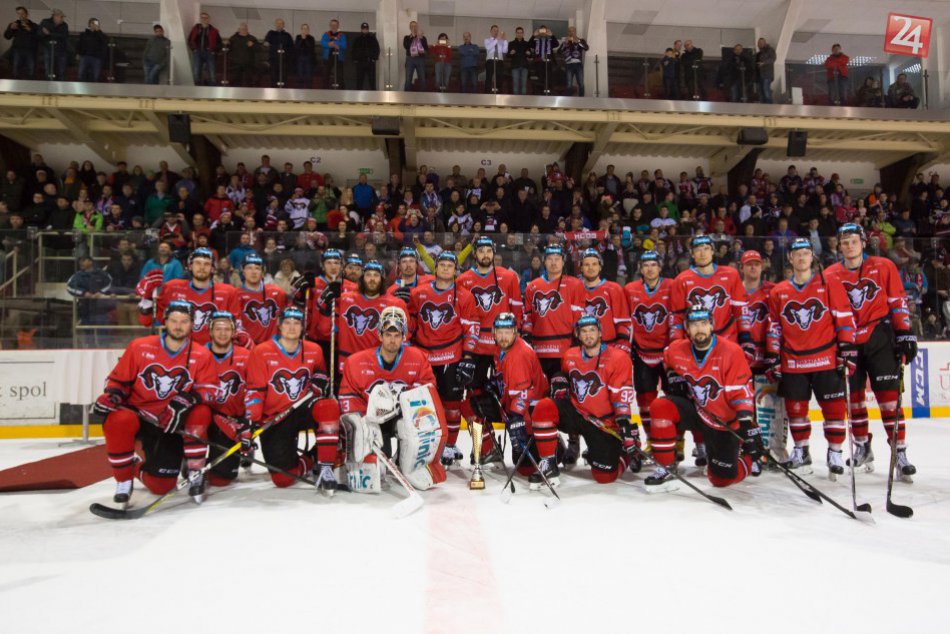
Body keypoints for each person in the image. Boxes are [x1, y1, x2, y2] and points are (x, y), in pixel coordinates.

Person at [93, 301, 216, 508]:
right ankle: (124, 479)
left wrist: (185, 400)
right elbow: (118, 381)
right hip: (141, 417)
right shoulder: (140, 346)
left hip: (172, 423)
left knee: (162, 485)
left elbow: (209, 390)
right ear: (165, 321)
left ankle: (194, 469)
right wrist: (113, 395)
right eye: (174, 321)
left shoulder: (201, 354)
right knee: (118, 418)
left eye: (184, 321)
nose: (178, 326)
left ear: (192, 324)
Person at [825, 224, 918, 481]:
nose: (849, 246)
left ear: (863, 243)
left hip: (879, 335)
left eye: (854, 241)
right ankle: (862, 446)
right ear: (839, 246)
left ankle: (899, 452)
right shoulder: (831, 273)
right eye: (844, 242)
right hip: (847, 340)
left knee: (889, 400)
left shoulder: (884, 266)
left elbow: (897, 301)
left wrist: (904, 333)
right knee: (854, 400)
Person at [765, 239, 855, 476]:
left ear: (812, 258)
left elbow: (844, 317)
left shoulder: (829, 283)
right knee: (796, 410)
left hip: (826, 358)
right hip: (793, 361)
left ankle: (835, 452)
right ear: (790, 259)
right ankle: (801, 451)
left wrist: (846, 347)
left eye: (806, 253)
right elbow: (774, 326)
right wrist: (773, 355)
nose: (802, 258)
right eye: (798, 254)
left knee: (834, 409)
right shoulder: (779, 291)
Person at [645, 306, 759, 491]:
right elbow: (666, 360)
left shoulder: (731, 351)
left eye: (704, 323)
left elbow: (741, 393)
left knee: (720, 480)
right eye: (694, 324)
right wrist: (673, 374)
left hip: (723, 421)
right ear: (687, 329)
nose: (699, 329)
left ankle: (748, 457)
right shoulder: (677, 349)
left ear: (712, 325)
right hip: (697, 412)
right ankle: (665, 467)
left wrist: (747, 426)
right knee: (660, 406)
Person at [338, 306, 448, 490]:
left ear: (404, 336)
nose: (392, 340)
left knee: (409, 428)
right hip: (372, 418)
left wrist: (401, 403)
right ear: (380, 335)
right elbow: (347, 397)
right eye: (388, 334)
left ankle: (408, 463)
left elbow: (428, 392)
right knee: (377, 471)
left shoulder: (418, 358)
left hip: (401, 416)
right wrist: (363, 424)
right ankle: (354, 458)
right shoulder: (356, 362)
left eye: (397, 335)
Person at [529, 315, 637, 487]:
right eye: (584, 331)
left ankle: (624, 453)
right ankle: (549, 461)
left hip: (602, 422)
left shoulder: (619, 358)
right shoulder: (570, 355)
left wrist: (623, 421)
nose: (588, 335)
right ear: (578, 335)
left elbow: (621, 395)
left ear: (600, 333)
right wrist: (559, 380)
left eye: (592, 330)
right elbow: (565, 378)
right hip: (577, 413)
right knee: (544, 407)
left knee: (605, 477)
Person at [245, 307, 339, 491]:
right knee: (282, 480)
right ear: (279, 326)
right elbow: (254, 390)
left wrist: (321, 380)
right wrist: (253, 420)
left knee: (329, 407)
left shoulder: (314, 350)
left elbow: (320, 376)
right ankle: (311, 459)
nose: (292, 327)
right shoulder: (261, 352)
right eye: (287, 323)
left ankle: (326, 467)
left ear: (303, 327)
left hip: (302, 408)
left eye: (297, 323)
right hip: (275, 417)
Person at [407, 251, 479, 465]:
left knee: (452, 404)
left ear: (455, 270)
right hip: (424, 357)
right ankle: (426, 444)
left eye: (450, 265)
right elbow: (410, 324)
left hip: (451, 355)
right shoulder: (418, 293)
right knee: (424, 405)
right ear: (435, 268)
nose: (446, 268)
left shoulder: (464, 296)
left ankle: (449, 445)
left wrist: (468, 357)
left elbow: (472, 328)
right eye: (442, 264)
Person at [192, 311, 252, 490]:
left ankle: (213, 462)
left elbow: (255, 390)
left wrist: (247, 421)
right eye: (218, 328)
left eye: (227, 329)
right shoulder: (198, 355)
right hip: (203, 418)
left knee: (222, 478)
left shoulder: (246, 356)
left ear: (234, 332)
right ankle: (190, 461)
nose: (222, 333)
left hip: (231, 422)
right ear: (210, 331)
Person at [456, 237, 525, 394]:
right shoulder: (462, 280)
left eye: (488, 251)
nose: (485, 255)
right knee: (473, 389)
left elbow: (516, 308)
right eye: (481, 251)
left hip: (502, 342)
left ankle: (502, 419)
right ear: (475, 254)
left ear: (494, 253)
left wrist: (517, 334)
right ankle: (476, 419)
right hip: (476, 344)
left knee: (505, 388)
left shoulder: (509, 277)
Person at [623, 251, 673, 448]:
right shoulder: (629, 290)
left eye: (654, 264)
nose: (650, 269)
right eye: (646, 265)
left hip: (669, 353)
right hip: (642, 352)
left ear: (660, 267)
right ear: (640, 269)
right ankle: (652, 439)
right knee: (644, 401)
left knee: (675, 398)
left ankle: (676, 441)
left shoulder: (672, 285)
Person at [324, 259, 406, 377]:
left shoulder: (394, 304)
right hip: (347, 360)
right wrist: (326, 297)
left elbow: (403, 339)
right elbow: (323, 319)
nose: (372, 279)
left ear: (382, 279)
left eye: (376, 275)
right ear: (362, 278)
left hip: (377, 363)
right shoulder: (344, 299)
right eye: (368, 275)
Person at [738, 250, 783, 458]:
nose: (753, 267)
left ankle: (772, 452)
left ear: (762, 266)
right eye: (749, 264)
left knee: (770, 407)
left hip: (766, 356)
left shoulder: (772, 291)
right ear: (742, 268)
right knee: (744, 408)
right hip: (742, 358)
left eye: (756, 264)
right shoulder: (734, 291)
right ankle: (748, 449)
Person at [149, 247, 242, 346]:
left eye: (206, 264)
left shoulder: (228, 292)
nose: (202, 267)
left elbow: (236, 325)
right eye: (198, 263)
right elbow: (156, 320)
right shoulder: (172, 287)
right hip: (181, 349)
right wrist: (146, 301)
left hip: (214, 352)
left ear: (213, 268)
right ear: (190, 266)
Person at [670, 235, 749, 344]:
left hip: (727, 338)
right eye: (698, 250)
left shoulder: (731, 274)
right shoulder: (681, 280)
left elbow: (740, 310)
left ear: (712, 251)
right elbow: (677, 316)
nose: (702, 253)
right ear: (692, 254)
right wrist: (676, 341)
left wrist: (746, 337)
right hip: (695, 341)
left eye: (706, 248)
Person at [578, 248, 630, 351]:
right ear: (581, 268)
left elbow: (623, 322)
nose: (590, 268)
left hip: (609, 347)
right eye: (586, 264)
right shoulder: (575, 289)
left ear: (600, 267)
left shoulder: (614, 289)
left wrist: (622, 345)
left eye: (594, 264)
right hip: (582, 349)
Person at [234, 253, 287, 345]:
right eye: (249, 268)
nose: (254, 272)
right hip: (247, 347)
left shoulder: (277, 293)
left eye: (257, 268)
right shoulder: (236, 295)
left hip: (273, 347)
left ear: (263, 272)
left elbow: (287, 316)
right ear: (243, 271)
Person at [66, 255, 113, 325]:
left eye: (83, 261)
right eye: (80, 261)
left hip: (101, 308)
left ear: (90, 262)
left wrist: (101, 292)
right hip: (85, 308)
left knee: (102, 331)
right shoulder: (78, 276)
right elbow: (70, 287)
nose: (81, 263)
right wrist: (84, 293)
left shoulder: (101, 274)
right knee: (87, 331)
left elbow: (110, 283)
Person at [4, 6, 38, 80]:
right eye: (18, 14)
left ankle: (30, 87)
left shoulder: (34, 25)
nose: (21, 15)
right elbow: (7, 36)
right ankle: (16, 88)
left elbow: (39, 38)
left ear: (27, 14)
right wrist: (11, 29)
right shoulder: (14, 24)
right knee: (16, 70)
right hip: (17, 51)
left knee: (31, 70)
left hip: (30, 51)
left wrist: (30, 30)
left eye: (22, 13)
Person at [188, 11, 220, 85]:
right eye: (202, 17)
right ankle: (196, 92)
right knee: (196, 72)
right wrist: (194, 49)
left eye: (206, 18)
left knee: (211, 73)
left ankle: (212, 92)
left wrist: (214, 51)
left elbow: (219, 43)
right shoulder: (195, 29)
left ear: (209, 19)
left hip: (210, 53)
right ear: (200, 19)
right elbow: (190, 40)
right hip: (197, 53)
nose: (204, 19)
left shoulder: (214, 30)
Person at [528, 25, 558, 94]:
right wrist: (533, 35)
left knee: (548, 79)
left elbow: (556, 44)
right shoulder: (536, 40)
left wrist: (552, 35)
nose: (543, 32)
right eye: (541, 31)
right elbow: (529, 44)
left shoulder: (550, 40)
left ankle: (548, 94)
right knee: (539, 79)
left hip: (549, 62)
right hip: (538, 63)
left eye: (544, 31)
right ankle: (539, 94)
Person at [39, 9, 68, 81]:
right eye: (61, 17)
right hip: (48, 49)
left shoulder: (64, 25)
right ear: (55, 16)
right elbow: (39, 33)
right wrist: (46, 34)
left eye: (62, 17)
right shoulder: (45, 22)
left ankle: (61, 89)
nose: (62, 19)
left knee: (61, 71)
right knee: (48, 70)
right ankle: (49, 88)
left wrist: (49, 34)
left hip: (61, 51)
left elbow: (64, 36)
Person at [560, 25, 588, 97]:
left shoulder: (580, 40)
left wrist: (578, 41)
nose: (571, 32)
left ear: (575, 32)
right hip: (568, 64)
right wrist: (564, 44)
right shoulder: (566, 41)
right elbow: (559, 52)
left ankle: (581, 100)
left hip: (578, 64)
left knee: (581, 83)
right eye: (569, 31)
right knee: (569, 84)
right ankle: (568, 100)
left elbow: (586, 48)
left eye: (572, 31)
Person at [264, 19, 293, 87]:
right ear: (275, 24)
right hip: (274, 59)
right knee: (273, 77)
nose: (279, 25)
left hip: (284, 60)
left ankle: (283, 94)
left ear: (283, 25)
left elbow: (291, 47)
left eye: (281, 24)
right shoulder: (271, 33)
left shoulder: (287, 35)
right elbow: (266, 42)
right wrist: (266, 43)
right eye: (278, 23)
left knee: (283, 77)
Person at [227, 22, 258, 87]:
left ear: (247, 29)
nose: (244, 30)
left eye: (245, 29)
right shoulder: (233, 38)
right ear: (239, 30)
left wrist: (253, 45)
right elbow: (228, 49)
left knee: (248, 81)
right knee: (236, 81)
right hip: (236, 63)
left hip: (248, 63)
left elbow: (259, 49)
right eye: (242, 29)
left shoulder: (252, 38)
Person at [77, 17, 107, 82]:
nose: (94, 25)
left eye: (96, 23)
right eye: (92, 23)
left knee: (95, 75)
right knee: (81, 74)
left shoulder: (101, 35)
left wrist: (99, 31)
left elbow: (104, 41)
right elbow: (80, 44)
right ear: (89, 24)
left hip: (96, 57)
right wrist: (78, 53)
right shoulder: (84, 34)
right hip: (85, 56)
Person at [352, 22, 379, 90]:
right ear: (361, 29)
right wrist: (355, 59)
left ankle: (374, 97)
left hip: (370, 62)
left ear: (368, 29)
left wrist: (374, 58)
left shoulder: (372, 39)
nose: (365, 30)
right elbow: (353, 50)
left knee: (372, 81)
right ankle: (358, 98)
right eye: (363, 29)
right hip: (360, 63)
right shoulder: (357, 39)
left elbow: (377, 49)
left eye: (366, 29)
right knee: (359, 81)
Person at [320, 19, 346, 89]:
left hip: (339, 58)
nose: (333, 26)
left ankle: (341, 92)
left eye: (335, 25)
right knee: (326, 76)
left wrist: (335, 43)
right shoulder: (326, 34)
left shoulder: (342, 35)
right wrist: (329, 44)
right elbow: (322, 43)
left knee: (339, 76)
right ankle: (325, 92)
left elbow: (344, 45)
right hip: (328, 58)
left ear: (338, 26)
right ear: (330, 25)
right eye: (332, 25)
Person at [403, 21, 427, 90]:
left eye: (415, 26)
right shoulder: (406, 37)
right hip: (410, 59)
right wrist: (413, 37)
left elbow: (426, 48)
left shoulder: (422, 38)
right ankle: (406, 97)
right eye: (412, 26)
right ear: (410, 28)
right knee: (408, 79)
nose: (414, 28)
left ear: (417, 27)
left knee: (422, 79)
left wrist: (421, 38)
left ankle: (423, 97)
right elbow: (406, 46)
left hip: (420, 59)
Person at [507, 26, 532, 95]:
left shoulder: (526, 43)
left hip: (524, 66)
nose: (519, 34)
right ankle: (516, 103)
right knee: (515, 85)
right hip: (515, 66)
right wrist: (511, 53)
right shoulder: (511, 43)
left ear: (523, 33)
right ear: (515, 33)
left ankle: (523, 103)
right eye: (518, 33)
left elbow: (530, 55)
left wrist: (529, 53)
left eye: (521, 33)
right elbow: (508, 55)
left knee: (524, 85)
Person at [484, 25, 507, 93]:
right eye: (494, 30)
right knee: (489, 78)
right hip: (490, 60)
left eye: (497, 31)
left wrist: (505, 41)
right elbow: (488, 47)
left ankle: (499, 94)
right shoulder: (487, 40)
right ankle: (487, 94)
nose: (496, 32)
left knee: (500, 78)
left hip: (499, 60)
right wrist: (497, 39)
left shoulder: (501, 41)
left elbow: (505, 51)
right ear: (491, 31)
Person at [294, 23, 316, 88]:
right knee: (300, 75)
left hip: (309, 59)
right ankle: (300, 90)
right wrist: (302, 39)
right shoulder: (298, 37)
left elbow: (311, 48)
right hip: (300, 58)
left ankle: (309, 90)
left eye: (306, 29)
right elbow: (297, 47)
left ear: (308, 30)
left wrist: (305, 39)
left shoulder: (311, 38)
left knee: (308, 75)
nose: (305, 30)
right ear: (301, 30)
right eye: (303, 29)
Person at [755, 37, 775, 104]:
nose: (760, 44)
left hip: (767, 74)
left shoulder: (770, 50)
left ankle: (770, 107)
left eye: (761, 43)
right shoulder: (758, 53)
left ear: (765, 43)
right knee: (761, 92)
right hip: (759, 75)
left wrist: (763, 63)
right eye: (759, 43)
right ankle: (763, 107)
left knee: (766, 90)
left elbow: (772, 59)